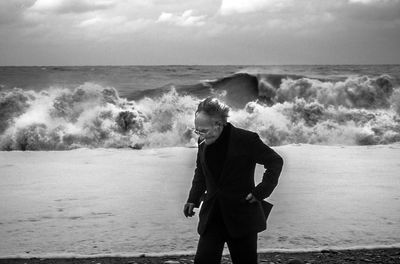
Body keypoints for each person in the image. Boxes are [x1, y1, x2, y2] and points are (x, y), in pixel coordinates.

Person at [183, 97, 284, 264]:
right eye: (197, 130)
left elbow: (275, 161)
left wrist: (261, 191)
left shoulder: (246, 140)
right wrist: (193, 198)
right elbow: (201, 173)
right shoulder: (203, 141)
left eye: (204, 131)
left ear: (218, 124)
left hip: (241, 215)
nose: (200, 135)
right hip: (213, 215)